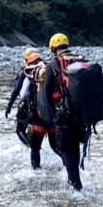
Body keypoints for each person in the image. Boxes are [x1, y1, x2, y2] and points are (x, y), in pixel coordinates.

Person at [41, 33, 87, 190]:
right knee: (75, 148)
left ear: (53, 48)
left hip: (64, 116)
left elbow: (47, 94)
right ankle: (74, 181)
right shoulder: (80, 61)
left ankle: (76, 186)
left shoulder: (52, 66)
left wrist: (52, 114)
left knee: (66, 150)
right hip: (81, 115)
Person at [16, 50, 59, 169]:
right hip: (52, 117)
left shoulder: (29, 73)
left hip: (37, 118)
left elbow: (23, 94)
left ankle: (36, 172)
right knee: (56, 147)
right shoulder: (51, 71)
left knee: (35, 149)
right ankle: (68, 166)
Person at [6, 49, 39, 146]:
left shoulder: (25, 71)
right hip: (45, 104)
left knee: (20, 129)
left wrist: (9, 106)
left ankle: (31, 147)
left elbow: (18, 91)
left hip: (29, 104)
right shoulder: (46, 69)